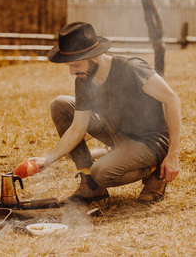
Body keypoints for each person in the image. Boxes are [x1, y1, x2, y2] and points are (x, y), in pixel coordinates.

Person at [27, 22, 181, 203]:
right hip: (116, 133)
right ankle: (90, 185)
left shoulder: (132, 68)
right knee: (60, 104)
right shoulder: (83, 81)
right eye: (70, 66)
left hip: (149, 141)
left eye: (75, 65)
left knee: (101, 172)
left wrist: (172, 156)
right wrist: (47, 159)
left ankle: (156, 172)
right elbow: (78, 128)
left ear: (95, 56)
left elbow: (173, 100)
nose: (71, 72)